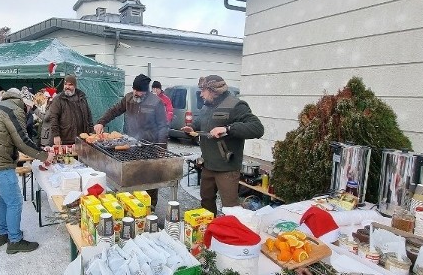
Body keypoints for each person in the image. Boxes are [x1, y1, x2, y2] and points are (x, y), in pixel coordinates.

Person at [0, 88, 53, 255]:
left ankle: (3, 234)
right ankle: (15, 240)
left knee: (4, 199)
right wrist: (45, 156)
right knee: (15, 201)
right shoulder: (14, 109)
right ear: (24, 103)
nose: (29, 111)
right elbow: (23, 140)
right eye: (30, 107)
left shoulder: (0, 106)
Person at [180, 75, 264, 214]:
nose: (201, 94)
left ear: (213, 91)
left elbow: (257, 128)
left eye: (203, 90)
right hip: (208, 165)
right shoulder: (207, 105)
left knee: (230, 208)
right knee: (206, 201)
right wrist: (191, 129)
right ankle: (210, 230)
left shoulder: (236, 105)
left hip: (227, 169)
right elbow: (200, 122)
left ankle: (230, 233)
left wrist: (228, 129)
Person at [93, 74, 169, 208]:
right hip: (131, 145)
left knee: (150, 179)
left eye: (138, 90)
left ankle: (149, 207)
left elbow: (163, 127)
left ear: (145, 90)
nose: (135, 93)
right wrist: (101, 122)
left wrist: (161, 149)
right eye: (134, 89)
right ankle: (130, 204)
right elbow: (114, 110)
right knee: (131, 176)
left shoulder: (156, 102)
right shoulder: (129, 98)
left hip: (150, 146)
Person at [49, 75, 93, 145]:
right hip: (65, 139)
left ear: (75, 86)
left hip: (81, 139)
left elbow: (89, 115)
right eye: (65, 84)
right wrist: (56, 135)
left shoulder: (82, 98)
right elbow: (53, 118)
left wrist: (91, 131)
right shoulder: (58, 99)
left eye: (70, 85)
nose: (67, 87)